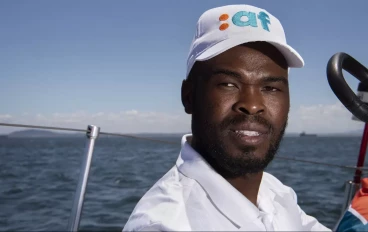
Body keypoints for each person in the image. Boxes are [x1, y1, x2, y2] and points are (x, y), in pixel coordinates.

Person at [123, 4, 331, 231]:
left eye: (271, 88)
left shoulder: (274, 192)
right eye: (228, 84)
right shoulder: (167, 223)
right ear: (189, 97)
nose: (252, 105)